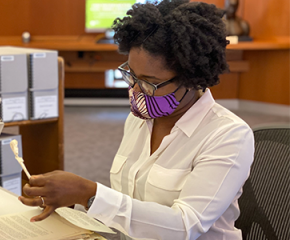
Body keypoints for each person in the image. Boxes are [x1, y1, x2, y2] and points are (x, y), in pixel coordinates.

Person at [18, 0, 254, 239]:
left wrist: (89, 194)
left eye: (150, 82)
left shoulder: (228, 135)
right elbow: (132, 204)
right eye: (131, 75)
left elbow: (185, 226)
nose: (136, 91)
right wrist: (73, 202)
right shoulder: (140, 119)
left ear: (193, 78)